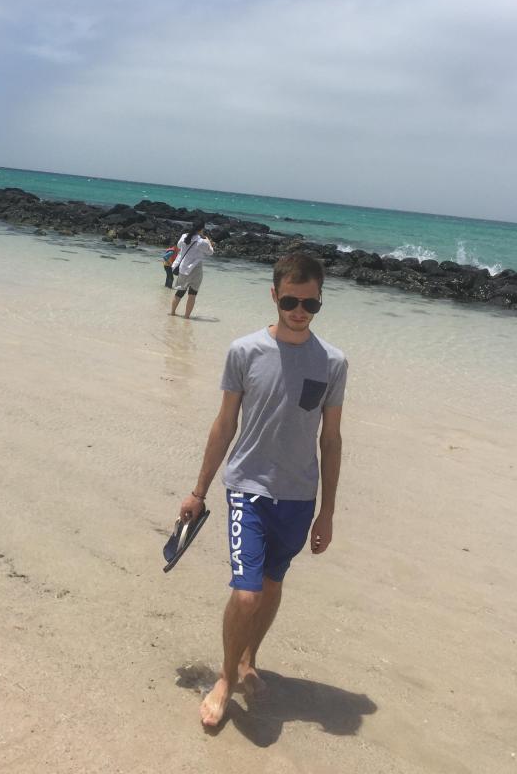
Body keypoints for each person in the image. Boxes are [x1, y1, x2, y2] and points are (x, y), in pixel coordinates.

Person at [177, 252, 348, 727]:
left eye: (310, 304)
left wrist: (327, 512)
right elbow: (224, 424)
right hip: (247, 488)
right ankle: (225, 677)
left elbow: (331, 440)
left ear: (320, 301)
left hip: (299, 496)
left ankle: (249, 658)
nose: (299, 311)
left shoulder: (333, 362)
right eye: (290, 301)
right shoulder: (244, 351)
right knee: (247, 594)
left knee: (272, 585)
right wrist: (198, 491)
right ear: (274, 295)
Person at [170, 219, 214, 319]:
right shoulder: (202, 242)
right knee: (192, 294)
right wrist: (208, 241)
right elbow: (210, 252)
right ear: (202, 229)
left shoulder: (184, 236)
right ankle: (186, 317)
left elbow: (179, 246)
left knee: (179, 292)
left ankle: (172, 313)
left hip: (182, 268)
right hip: (195, 269)